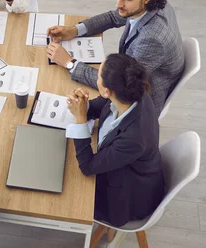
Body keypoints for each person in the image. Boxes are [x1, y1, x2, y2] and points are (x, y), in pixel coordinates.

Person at [46, 0, 184, 113]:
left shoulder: (152, 39)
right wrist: (74, 30)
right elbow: (114, 17)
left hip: (140, 101)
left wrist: (69, 63)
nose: (118, 4)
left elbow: (120, 83)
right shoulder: (150, 5)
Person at [65, 53, 165, 230]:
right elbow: (99, 106)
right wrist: (83, 105)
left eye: (98, 77)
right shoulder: (131, 93)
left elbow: (88, 167)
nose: (96, 78)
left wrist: (80, 119)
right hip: (127, 167)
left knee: (69, 194)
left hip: (126, 196)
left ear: (106, 90)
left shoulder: (134, 138)